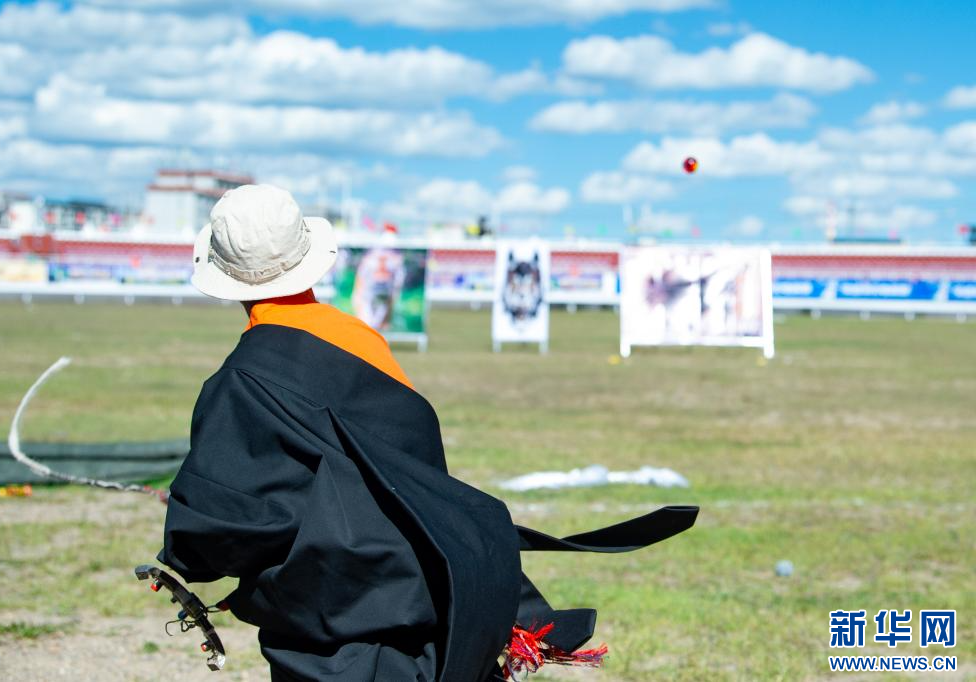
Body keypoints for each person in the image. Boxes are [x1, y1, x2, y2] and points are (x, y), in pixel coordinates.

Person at [158, 184, 698, 681]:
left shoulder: (240, 381)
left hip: (334, 628)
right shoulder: (359, 339)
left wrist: (185, 553)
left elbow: (226, 521)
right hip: (428, 596)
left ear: (227, 280)